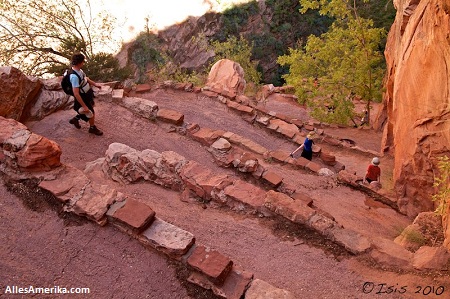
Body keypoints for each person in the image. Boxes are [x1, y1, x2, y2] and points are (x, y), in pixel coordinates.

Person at [68, 53, 103, 136]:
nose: (83, 63)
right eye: (83, 62)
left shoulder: (79, 70)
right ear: (79, 63)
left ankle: (75, 119)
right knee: (90, 112)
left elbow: (85, 79)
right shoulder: (74, 77)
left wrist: (95, 84)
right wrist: (84, 106)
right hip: (82, 96)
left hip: (87, 93)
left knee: (90, 106)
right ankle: (92, 128)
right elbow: (76, 93)